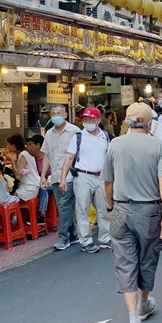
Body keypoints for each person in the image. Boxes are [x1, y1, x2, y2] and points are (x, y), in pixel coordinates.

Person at [103, 103, 162, 323]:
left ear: (127, 121)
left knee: (125, 262)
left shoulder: (114, 144)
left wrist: (111, 205)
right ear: (149, 123)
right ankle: (143, 303)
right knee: (147, 258)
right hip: (150, 210)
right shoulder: (158, 146)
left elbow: (108, 182)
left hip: (121, 209)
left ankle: (134, 322)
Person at [60, 107, 112, 253]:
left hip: (101, 177)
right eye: (85, 119)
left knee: (103, 209)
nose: (87, 122)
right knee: (82, 210)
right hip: (83, 176)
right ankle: (86, 241)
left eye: (90, 119)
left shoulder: (105, 136)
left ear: (98, 120)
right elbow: (69, 158)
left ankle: (105, 237)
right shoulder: (78, 137)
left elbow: (109, 157)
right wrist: (63, 178)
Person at [41, 105, 81, 251]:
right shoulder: (49, 134)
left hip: (70, 175)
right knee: (63, 207)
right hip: (56, 176)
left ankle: (63, 238)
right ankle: (73, 234)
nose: (56, 116)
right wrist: (43, 176)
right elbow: (46, 155)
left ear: (65, 115)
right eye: (53, 113)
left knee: (64, 205)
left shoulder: (74, 131)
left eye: (59, 113)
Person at [6, 134, 41, 204]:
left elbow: (18, 176)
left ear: (13, 145)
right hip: (33, 186)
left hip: (28, 189)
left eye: (8, 144)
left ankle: (14, 215)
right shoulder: (26, 152)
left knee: (8, 198)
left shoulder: (23, 155)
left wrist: (12, 160)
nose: (6, 147)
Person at [26, 134, 49, 219]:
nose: (29, 146)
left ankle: (41, 213)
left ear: (38, 145)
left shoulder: (46, 158)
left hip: (48, 182)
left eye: (31, 144)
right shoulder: (32, 158)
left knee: (43, 188)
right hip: (35, 183)